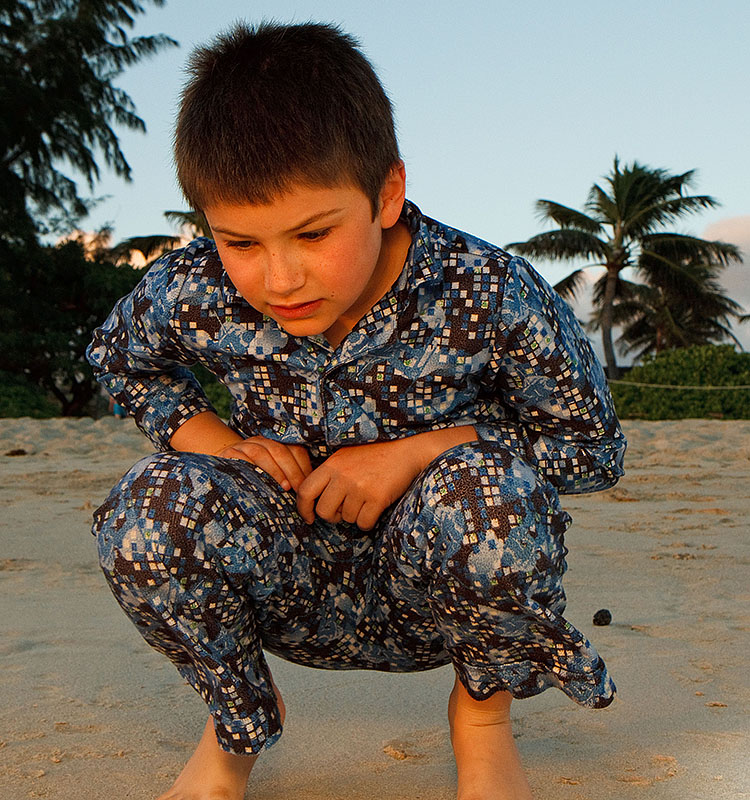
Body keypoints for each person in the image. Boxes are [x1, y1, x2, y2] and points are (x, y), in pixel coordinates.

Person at [87, 21, 626, 800]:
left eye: (313, 233)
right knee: (147, 513)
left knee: (492, 500)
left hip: (437, 593)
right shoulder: (192, 287)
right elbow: (120, 359)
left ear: (387, 193)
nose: (279, 277)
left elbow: (592, 447)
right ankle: (233, 729)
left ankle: (482, 728)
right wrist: (218, 442)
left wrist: (424, 449)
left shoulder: (489, 289)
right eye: (240, 241)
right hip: (281, 573)